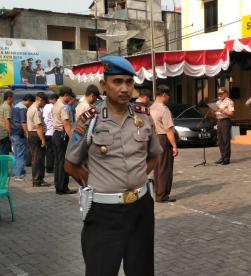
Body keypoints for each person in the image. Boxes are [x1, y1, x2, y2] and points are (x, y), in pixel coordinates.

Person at [64, 55, 162, 275]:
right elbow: (70, 164)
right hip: (103, 212)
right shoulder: (90, 119)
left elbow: (154, 155)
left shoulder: (144, 117)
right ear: (104, 85)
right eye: (117, 81)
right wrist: (97, 183)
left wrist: (137, 176)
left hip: (141, 208)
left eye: (129, 82)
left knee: (141, 270)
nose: (125, 88)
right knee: (101, 270)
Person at [150, 85, 178, 203]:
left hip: (153, 138)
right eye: (168, 95)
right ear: (164, 95)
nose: (169, 98)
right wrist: (174, 146)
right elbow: (169, 130)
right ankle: (163, 195)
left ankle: (158, 192)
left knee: (157, 167)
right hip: (163, 139)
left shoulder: (150, 107)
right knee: (165, 167)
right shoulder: (164, 109)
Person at [52, 86, 75, 195]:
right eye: (69, 96)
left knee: (58, 162)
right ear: (66, 95)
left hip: (56, 134)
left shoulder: (55, 105)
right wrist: (73, 139)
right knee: (62, 162)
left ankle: (58, 185)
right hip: (62, 135)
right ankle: (62, 188)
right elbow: (66, 124)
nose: (70, 98)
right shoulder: (63, 107)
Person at [27, 92, 49, 187]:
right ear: (40, 100)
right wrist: (43, 140)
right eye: (44, 102)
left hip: (33, 135)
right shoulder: (35, 110)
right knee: (37, 159)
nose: (44, 104)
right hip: (36, 135)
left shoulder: (32, 108)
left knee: (37, 158)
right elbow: (38, 126)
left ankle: (38, 179)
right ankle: (37, 180)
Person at [10, 94, 35, 181]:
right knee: (21, 155)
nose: (31, 105)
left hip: (13, 133)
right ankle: (19, 175)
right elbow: (23, 122)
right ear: (28, 100)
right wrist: (27, 133)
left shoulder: (16, 106)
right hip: (20, 134)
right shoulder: (23, 108)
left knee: (17, 155)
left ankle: (17, 173)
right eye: (31, 103)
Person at [214, 87, 234, 165]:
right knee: (220, 141)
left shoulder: (229, 101)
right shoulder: (218, 102)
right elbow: (215, 113)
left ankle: (226, 158)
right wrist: (213, 111)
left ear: (226, 93)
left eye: (221, 93)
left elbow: (231, 114)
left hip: (225, 121)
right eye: (218, 93)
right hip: (219, 121)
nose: (220, 95)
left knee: (226, 140)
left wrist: (222, 110)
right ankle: (222, 157)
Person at [43, 93, 58, 173]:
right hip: (53, 132)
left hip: (47, 132)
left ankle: (48, 168)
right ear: (55, 99)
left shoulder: (45, 107)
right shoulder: (54, 107)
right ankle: (53, 167)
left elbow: (44, 118)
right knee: (54, 151)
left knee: (48, 151)